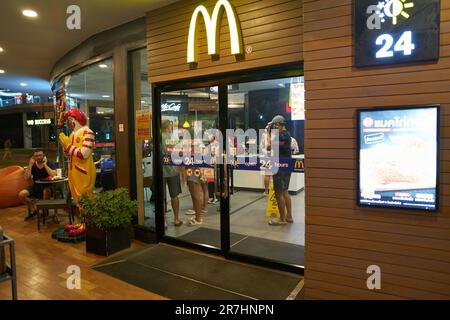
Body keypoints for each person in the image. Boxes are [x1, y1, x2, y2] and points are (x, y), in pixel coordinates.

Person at [59, 109, 96, 205]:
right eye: (69, 120)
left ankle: (87, 220)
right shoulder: (72, 134)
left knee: (85, 199)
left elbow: (84, 154)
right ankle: (82, 219)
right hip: (72, 172)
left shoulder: (88, 133)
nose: (70, 122)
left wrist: (68, 146)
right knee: (76, 199)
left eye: (71, 119)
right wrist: (64, 147)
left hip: (83, 171)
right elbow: (69, 155)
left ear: (78, 119)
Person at [269, 115, 294, 225]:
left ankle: (282, 219)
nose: (274, 127)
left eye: (275, 125)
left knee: (279, 193)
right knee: (285, 191)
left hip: (280, 166)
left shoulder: (280, 136)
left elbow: (269, 147)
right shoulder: (287, 134)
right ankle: (289, 216)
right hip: (286, 165)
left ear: (278, 124)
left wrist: (268, 134)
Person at [19, 149, 57, 221]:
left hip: (48, 186)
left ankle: (44, 210)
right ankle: (33, 209)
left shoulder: (50, 163)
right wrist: (30, 165)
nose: (38, 157)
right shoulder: (33, 165)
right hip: (36, 186)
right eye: (36, 156)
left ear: (43, 156)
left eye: (40, 155)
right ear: (33, 157)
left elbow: (53, 174)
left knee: (46, 191)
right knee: (21, 194)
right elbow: (26, 177)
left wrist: (45, 164)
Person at [162, 120, 182, 227]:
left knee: (162, 197)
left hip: (160, 171)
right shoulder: (172, 138)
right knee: (174, 196)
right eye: (170, 126)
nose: (171, 128)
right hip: (172, 171)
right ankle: (176, 219)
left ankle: (163, 222)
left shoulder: (157, 137)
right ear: (167, 127)